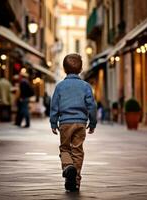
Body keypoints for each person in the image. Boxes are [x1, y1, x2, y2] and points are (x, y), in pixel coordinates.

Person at [50, 53, 97, 192]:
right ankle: (75, 181)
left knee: (65, 148)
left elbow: (54, 106)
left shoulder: (60, 86)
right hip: (81, 123)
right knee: (77, 151)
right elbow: (92, 106)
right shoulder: (86, 86)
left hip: (65, 123)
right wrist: (93, 123)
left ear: (64, 69)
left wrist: (53, 122)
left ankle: (67, 167)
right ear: (81, 69)